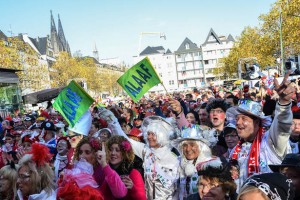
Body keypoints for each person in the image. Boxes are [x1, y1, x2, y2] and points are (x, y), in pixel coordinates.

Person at [230, 71, 295, 191]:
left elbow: (282, 126)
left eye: (244, 119)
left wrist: (284, 103)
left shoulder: (270, 141)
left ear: (257, 122)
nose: (238, 123)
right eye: (237, 119)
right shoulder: (235, 150)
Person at [101, 107, 180, 200]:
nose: (149, 137)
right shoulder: (146, 151)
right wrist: (112, 121)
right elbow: (125, 140)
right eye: (148, 133)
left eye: (153, 134)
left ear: (161, 135)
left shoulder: (175, 158)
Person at [171, 124, 217, 199]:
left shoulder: (210, 165)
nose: (188, 149)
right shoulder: (177, 163)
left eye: (192, 145)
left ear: (201, 146)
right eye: (185, 145)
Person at [96, 135, 147, 199]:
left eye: (117, 150)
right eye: (110, 150)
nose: (113, 153)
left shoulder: (133, 173)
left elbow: (142, 198)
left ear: (124, 153)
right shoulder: (104, 169)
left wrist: (133, 188)